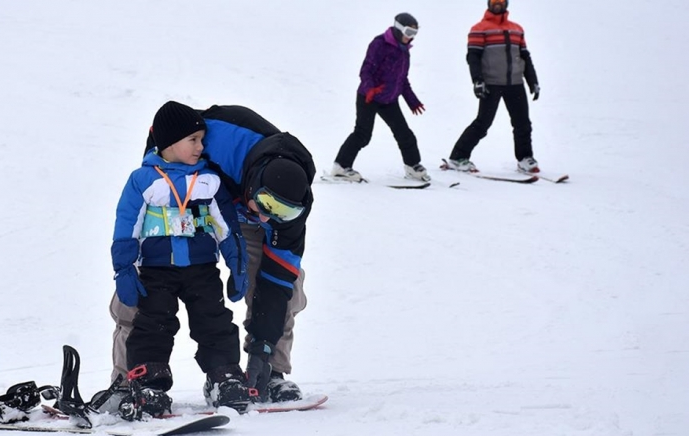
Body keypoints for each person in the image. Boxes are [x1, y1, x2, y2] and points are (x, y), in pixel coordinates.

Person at [110, 104, 315, 404]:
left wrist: (263, 346)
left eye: (283, 211)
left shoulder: (288, 207)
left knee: (286, 288)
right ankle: (127, 381)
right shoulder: (216, 140)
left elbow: (280, 274)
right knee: (141, 294)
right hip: (188, 206)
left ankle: (271, 373)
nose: (273, 217)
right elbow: (165, 135)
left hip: (238, 217)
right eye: (269, 205)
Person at [109, 101, 252, 416]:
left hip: (201, 269)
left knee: (213, 321)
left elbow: (227, 227)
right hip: (156, 271)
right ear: (169, 143)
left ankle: (224, 377)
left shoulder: (209, 180)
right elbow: (126, 225)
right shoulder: (143, 180)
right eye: (193, 140)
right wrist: (124, 269)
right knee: (153, 324)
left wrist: (236, 263)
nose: (201, 146)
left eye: (202, 139)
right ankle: (148, 383)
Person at [330, 12, 430, 183]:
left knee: (404, 134)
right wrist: (370, 89)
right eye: (408, 32)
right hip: (369, 97)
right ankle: (340, 167)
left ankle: (413, 166)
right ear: (399, 29)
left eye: (414, 33)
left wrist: (412, 101)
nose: (410, 37)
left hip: (389, 100)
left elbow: (402, 79)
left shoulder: (404, 51)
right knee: (362, 134)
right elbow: (366, 69)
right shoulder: (379, 44)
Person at [445, 0, 541, 173]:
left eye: (501, 1)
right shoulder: (479, 29)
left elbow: (525, 57)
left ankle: (525, 158)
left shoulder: (517, 29)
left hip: (515, 83)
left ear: (506, 3)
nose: (497, 3)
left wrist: (532, 81)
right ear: (489, 3)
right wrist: (477, 80)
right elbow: (473, 57)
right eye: (494, 0)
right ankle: (457, 157)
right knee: (483, 123)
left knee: (523, 123)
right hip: (491, 83)